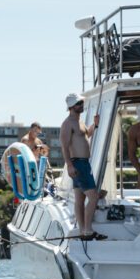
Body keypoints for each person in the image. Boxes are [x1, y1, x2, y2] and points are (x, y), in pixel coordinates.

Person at [60, 93, 106, 240]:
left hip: (83, 163)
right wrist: (69, 165)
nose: (82, 105)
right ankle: (88, 230)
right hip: (78, 164)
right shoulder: (68, 123)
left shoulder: (79, 122)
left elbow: (87, 134)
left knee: (80, 199)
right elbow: (64, 146)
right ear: (72, 106)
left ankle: (82, 231)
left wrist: (95, 125)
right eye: (79, 103)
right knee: (93, 198)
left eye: (81, 102)